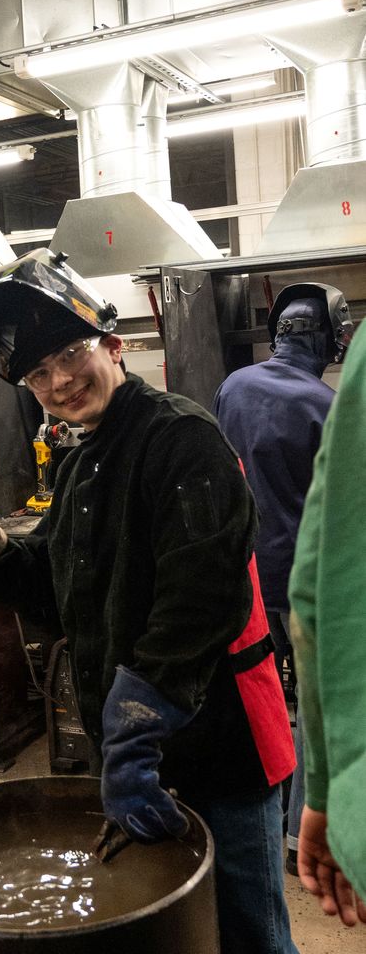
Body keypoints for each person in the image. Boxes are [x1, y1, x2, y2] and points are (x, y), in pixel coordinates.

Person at [0, 248, 298, 954]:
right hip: (134, 748)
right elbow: (53, 587)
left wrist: (134, 736)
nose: (59, 382)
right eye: (37, 373)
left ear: (114, 343)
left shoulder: (182, 440)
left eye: (70, 354)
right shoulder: (83, 459)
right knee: (174, 933)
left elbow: (199, 606)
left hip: (218, 741)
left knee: (245, 933)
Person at [212, 282, 353, 874]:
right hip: (301, 587)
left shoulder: (231, 388)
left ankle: (255, 829)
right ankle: (302, 837)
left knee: (255, 701)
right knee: (306, 707)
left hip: (239, 582)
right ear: (330, 339)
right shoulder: (328, 407)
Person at [288, 318, 366, 928]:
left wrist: (329, 792)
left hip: (258, 587)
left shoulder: (231, 387)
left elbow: (317, 595)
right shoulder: (322, 397)